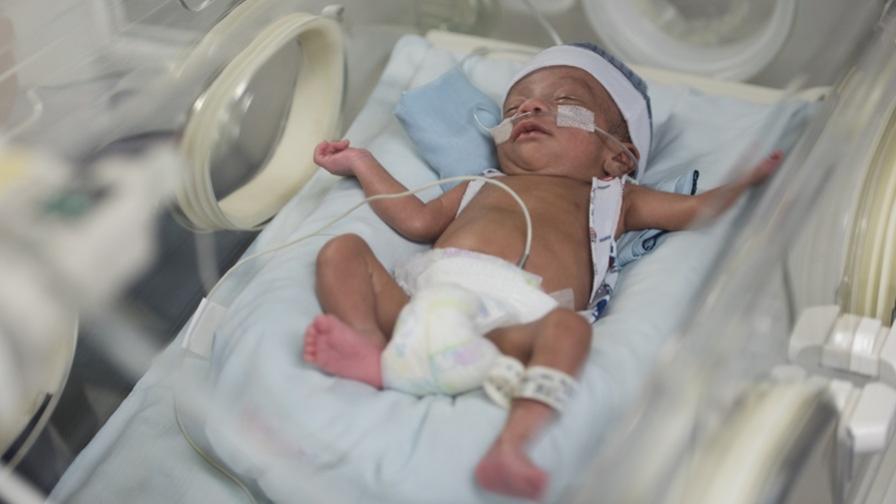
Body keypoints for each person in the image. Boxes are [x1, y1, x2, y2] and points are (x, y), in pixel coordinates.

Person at [302, 43, 782, 500]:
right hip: (421, 301)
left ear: (617, 157)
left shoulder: (614, 197)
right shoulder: (480, 184)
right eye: (513, 110)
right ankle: (370, 347)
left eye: (567, 104)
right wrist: (361, 162)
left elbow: (696, 210)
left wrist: (748, 181)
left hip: (512, 322)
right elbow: (414, 219)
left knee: (569, 330)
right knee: (343, 250)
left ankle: (512, 444)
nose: (528, 110)